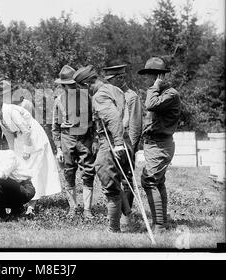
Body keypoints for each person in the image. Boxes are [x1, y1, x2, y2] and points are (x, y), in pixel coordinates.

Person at [0, 80, 62, 217]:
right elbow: (9, 136)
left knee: (33, 169)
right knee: (21, 167)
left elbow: (27, 130)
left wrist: (26, 150)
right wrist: (13, 153)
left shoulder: (10, 110)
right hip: (20, 139)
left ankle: (32, 206)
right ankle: (21, 200)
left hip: (33, 139)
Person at [74, 65, 130, 232]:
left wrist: (118, 143)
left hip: (111, 142)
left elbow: (112, 118)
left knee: (109, 184)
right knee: (116, 180)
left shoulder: (99, 96)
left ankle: (114, 229)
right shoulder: (113, 89)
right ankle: (127, 214)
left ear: (86, 84)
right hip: (121, 139)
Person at [138, 57, 181, 232]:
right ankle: (162, 221)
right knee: (157, 182)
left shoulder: (170, 94)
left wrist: (154, 86)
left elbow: (150, 105)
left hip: (161, 145)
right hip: (153, 144)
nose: (145, 79)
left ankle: (160, 226)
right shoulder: (158, 92)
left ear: (158, 76)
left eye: (148, 75)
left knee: (149, 181)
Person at [52, 65, 95, 219]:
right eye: (66, 85)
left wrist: (92, 137)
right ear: (62, 85)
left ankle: (87, 210)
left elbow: (94, 120)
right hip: (66, 139)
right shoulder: (58, 101)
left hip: (84, 138)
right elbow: (55, 127)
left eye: (72, 84)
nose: (70, 87)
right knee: (68, 172)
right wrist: (58, 148)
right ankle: (73, 208)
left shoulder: (87, 97)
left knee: (88, 172)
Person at [103, 64, 143, 224]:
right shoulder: (110, 95)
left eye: (111, 80)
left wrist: (129, 151)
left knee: (126, 180)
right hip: (111, 144)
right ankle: (116, 216)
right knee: (113, 180)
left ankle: (126, 220)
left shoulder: (131, 97)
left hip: (125, 147)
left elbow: (134, 127)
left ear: (120, 78)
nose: (108, 84)